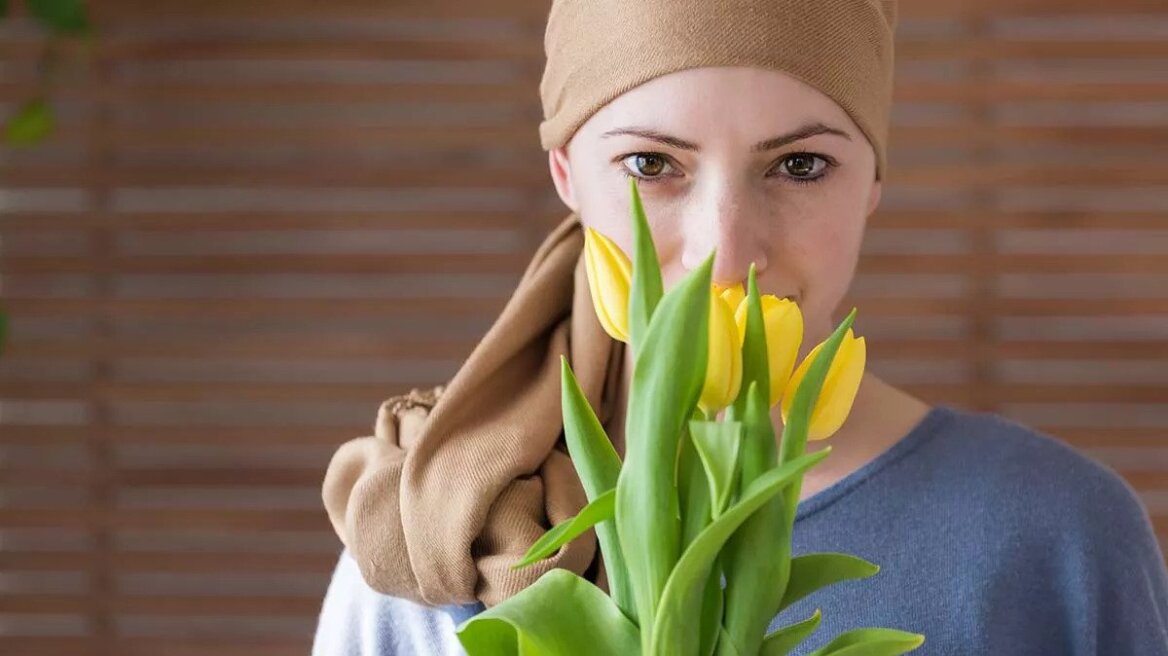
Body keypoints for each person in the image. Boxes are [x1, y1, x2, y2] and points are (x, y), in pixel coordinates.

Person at [311, 1, 1168, 654]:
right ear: (566, 174)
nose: (726, 252)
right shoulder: (432, 538)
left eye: (800, 165)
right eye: (652, 164)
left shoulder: (1060, 536)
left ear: (872, 183)